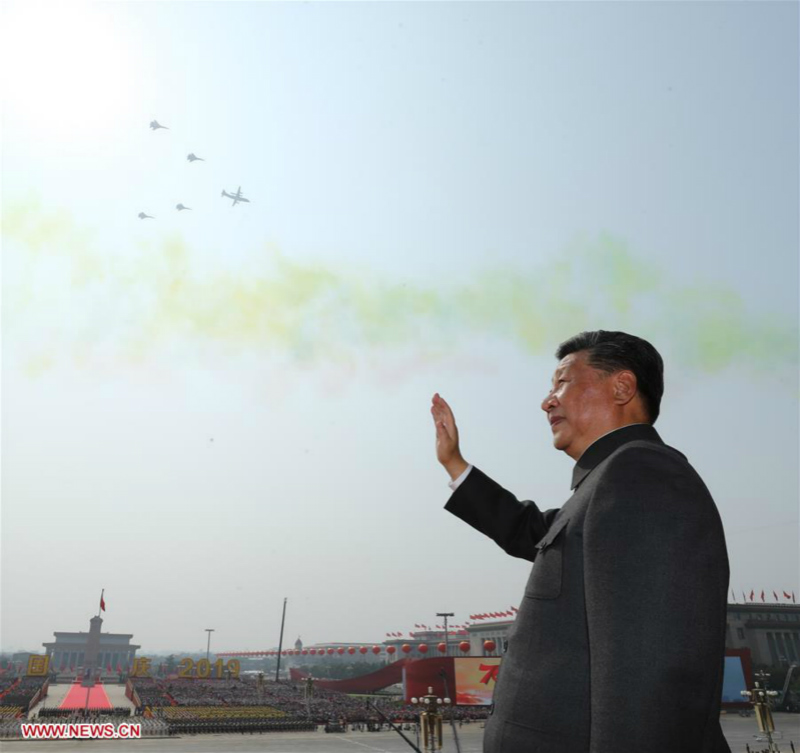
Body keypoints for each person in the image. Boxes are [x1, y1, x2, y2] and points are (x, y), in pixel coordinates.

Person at [431, 330, 730, 753]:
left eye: (562, 383)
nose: (547, 401)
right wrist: (455, 464)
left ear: (622, 387)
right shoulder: (609, 482)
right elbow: (532, 532)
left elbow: (649, 676)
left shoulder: (642, 473)